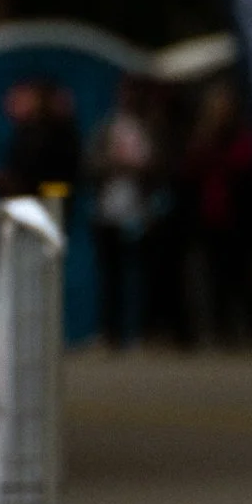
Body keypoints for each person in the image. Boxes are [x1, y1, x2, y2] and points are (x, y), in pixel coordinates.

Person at [184, 81, 252, 344]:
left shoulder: (242, 137)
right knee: (213, 275)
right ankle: (220, 329)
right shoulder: (203, 137)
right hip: (210, 215)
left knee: (241, 275)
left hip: (238, 217)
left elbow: (243, 163)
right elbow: (191, 167)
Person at [86, 76, 159, 348]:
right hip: (108, 211)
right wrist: (112, 165)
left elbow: (160, 164)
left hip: (140, 211)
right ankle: (110, 332)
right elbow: (90, 163)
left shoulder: (148, 128)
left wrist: (142, 170)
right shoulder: (106, 127)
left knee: (142, 275)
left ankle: (143, 331)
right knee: (110, 275)